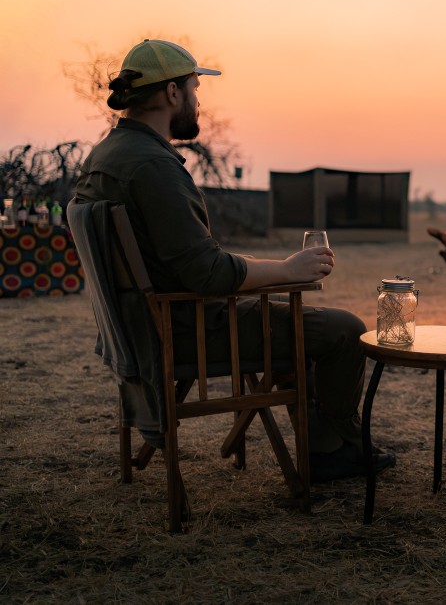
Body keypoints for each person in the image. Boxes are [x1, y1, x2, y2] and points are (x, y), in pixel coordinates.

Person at [72, 39, 395, 481]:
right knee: (343, 330)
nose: (197, 100)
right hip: (186, 331)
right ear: (171, 93)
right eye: (193, 88)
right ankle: (335, 448)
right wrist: (286, 270)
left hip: (144, 327)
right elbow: (206, 272)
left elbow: (188, 259)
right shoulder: (153, 167)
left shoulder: (107, 155)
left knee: (300, 335)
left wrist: (263, 266)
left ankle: (324, 444)